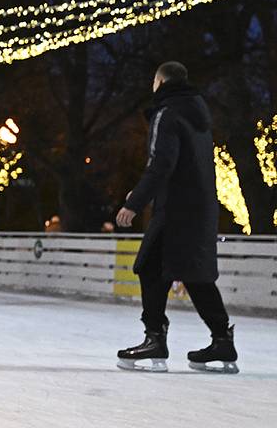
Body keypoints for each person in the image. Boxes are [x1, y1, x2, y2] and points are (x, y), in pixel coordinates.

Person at [115, 62, 238, 374]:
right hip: (200, 208)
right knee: (195, 275)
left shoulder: (167, 113)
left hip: (174, 210)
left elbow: (162, 162)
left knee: (149, 267)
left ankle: (155, 338)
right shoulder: (198, 114)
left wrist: (136, 201)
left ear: (159, 81)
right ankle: (222, 339)